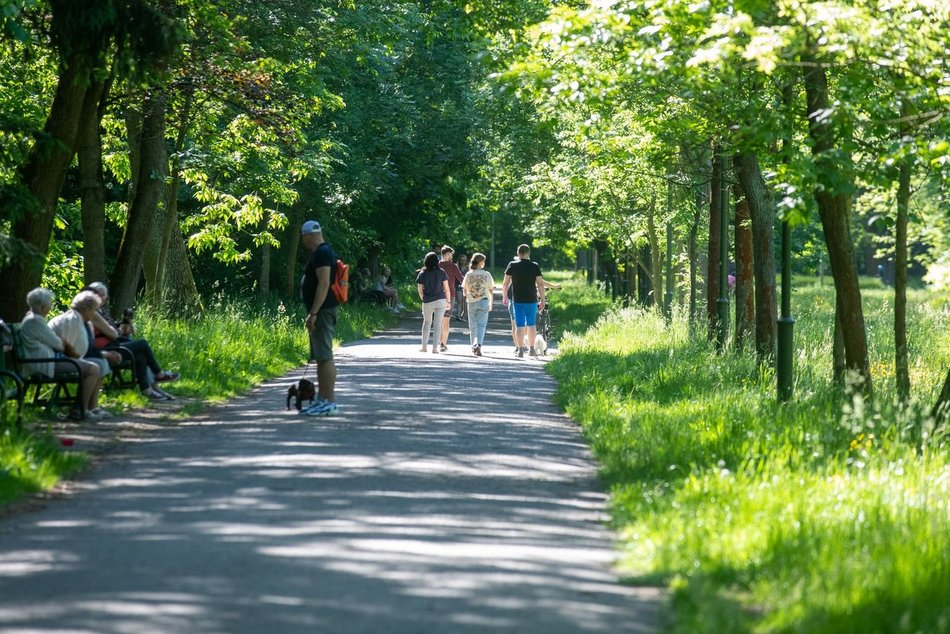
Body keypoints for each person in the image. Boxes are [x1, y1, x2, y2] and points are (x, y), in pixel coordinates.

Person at [20, 288, 105, 420]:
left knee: (93, 366)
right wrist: (61, 343)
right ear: (43, 307)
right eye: (49, 305)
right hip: (43, 363)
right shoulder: (35, 321)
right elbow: (58, 345)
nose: (50, 308)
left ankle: (81, 409)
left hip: (45, 360)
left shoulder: (32, 320)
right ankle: (79, 410)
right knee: (93, 369)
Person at [85, 282, 178, 400]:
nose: (101, 298)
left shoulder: (101, 311)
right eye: (98, 295)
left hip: (113, 345)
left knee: (140, 355)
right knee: (142, 344)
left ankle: (147, 390)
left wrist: (122, 328)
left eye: (104, 295)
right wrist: (119, 331)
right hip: (106, 350)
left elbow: (111, 330)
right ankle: (158, 374)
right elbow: (112, 334)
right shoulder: (94, 313)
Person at [300, 220, 340, 416]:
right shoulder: (322, 252)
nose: (304, 243)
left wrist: (314, 313)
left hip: (323, 312)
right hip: (320, 312)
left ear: (308, 236)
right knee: (320, 358)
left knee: (325, 357)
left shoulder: (323, 253)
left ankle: (329, 401)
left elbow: (324, 284)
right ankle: (322, 400)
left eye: (303, 238)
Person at [502, 244, 546, 358]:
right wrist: (542, 299)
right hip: (531, 299)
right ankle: (532, 349)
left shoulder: (512, 265)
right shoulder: (534, 266)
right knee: (531, 324)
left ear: (518, 253)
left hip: (518, 300)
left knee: (519, 325)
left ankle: (520, 350)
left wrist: (505, 296)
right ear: (529, 253)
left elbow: (505, 283)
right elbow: (540, 283)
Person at [416, 251, 450, 353]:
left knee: (426, 323)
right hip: (440, 300)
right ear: (437, 261)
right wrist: (448, 301)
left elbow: (420, 289)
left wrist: (423, 298)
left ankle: (424, 347)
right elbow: (447, 288)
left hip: (428, 301)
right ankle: (435, 348)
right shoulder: (442, 272)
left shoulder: (422, 273)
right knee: (438, 324)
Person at [461, 252, 494, 356]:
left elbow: (464, 290)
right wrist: (491, 303)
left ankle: (473, 345)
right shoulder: (487, 274)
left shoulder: (469, 274)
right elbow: (491, 290)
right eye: (484, 261)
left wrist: (466, 299)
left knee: (473, 325)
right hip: (484, 301)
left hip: (471, 302)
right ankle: (478, 344)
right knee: (482, 325)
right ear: (480, 262)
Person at [437, 245, 465, 351]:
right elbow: (461, 279)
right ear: (447, 254)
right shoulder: (453, 266)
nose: (451, 257)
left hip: (437, 295)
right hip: (451, 295)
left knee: (438, 321)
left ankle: (439, 343)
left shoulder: (436, 265)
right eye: (450, 255)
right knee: (446, 321)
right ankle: (443, 343)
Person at [455, 254, 469, 321]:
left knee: (465, 302)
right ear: (459, 260)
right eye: (462, 260)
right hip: (459, 286)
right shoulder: (456, 267)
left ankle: (465, 315)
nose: (463, 261)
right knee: (459, 301)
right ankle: (458, 314)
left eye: (465, 260)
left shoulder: (468, 268)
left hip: (466, 287)